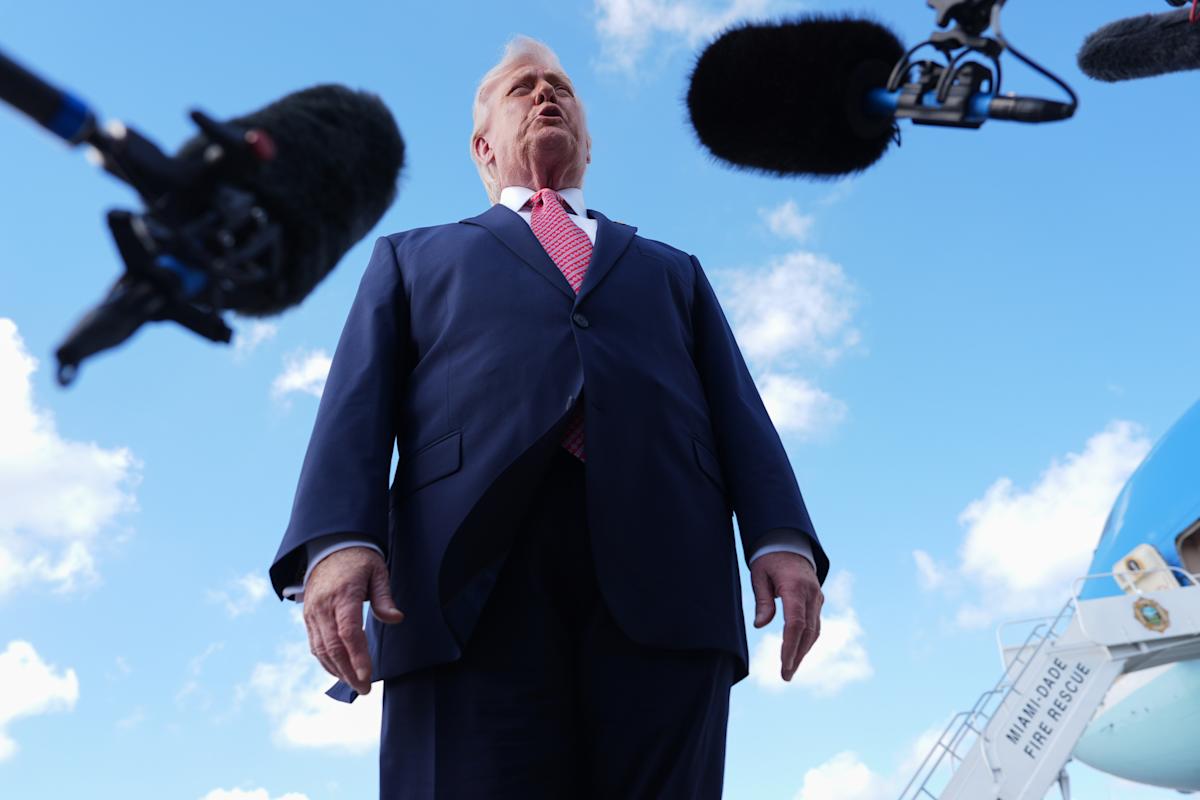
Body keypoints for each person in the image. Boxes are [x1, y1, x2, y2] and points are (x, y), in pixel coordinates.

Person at [268, 35, 829, 799]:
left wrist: (779, 536)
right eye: (522, 88)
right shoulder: (410, 257)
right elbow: (354, 404)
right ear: (483, 147)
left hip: (669, 567)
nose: (545, 94)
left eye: (560, 87)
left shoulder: (674, 271)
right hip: (461, 574)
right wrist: (338, 540)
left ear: (589, 146)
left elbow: (739, 411)